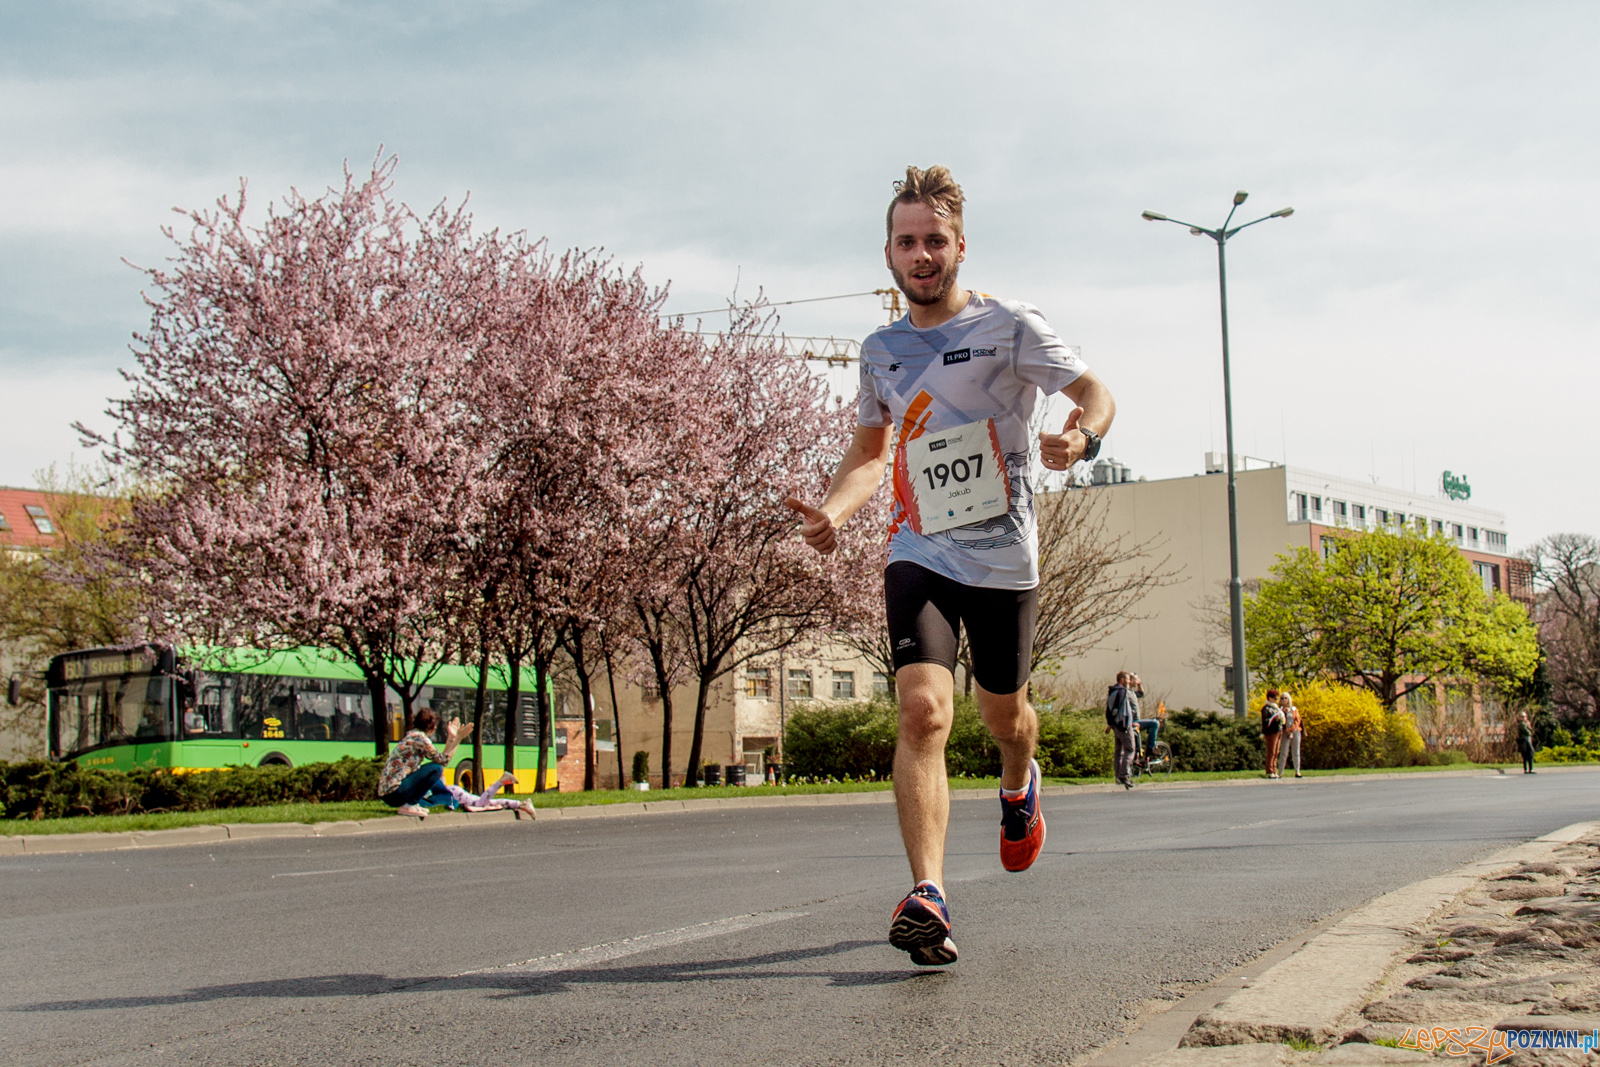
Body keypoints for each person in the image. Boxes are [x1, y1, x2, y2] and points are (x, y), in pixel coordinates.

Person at [784, 165, 1116, 967]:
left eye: (935, 240)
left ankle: (1017, 781)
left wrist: (1082, 438)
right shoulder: (881, 350)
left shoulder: (1011, 326)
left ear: (959, 246)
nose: (921, 254)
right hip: (919, 549)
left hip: (1004, 558)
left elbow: (1096, 390)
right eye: (907, 242)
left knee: (1006, 717)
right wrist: (834, 511)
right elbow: (870, 454)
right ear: (889, 255)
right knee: (925, 712)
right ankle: (928, 892)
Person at [377, 707, 473, 817]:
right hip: (395, 793)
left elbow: (441, 759)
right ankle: (409, 805)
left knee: (435, 767)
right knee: (436, 769)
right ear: (433, 728)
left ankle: (412, 804)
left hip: (388, 793)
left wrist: (451, 738)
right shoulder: (421, 739)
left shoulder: (411, 735)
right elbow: (443, 761)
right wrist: (458, 739)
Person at [1106, 672, 1139, 787]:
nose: (1130, 682)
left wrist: (1111, 723)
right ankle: (1123, 776)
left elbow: (1109, 710)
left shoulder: (1112, 691)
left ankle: (1118, 777)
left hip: (1116, 725)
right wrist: (1129, 722)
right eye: (1128, 680)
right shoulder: (1123, 692)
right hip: (1124, 725)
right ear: (1122, 680)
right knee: (1130, 749)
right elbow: (1129, 707)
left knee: (1119, 752)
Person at [1277, 693, 1303, 778]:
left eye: (1285, 698)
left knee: (1296, 752)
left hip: (1295, 732)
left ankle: (1297, 771)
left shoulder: (1293, 709)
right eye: (1282, 698)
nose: (1284, 700)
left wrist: (1292, 728)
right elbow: (1279, 721)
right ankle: (1280, 772)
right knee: (1284, 752)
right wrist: (1286, 729)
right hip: (1285, 733)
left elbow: (1298, 719)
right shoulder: (1279, 710)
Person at [1260, 689, 1285, 779]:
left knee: (1276, 752)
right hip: (1271, 732)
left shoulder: (1275, 708)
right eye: (1274, 698)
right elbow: (1265, 722)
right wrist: (1275, 719)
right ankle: (1270, 771)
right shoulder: (1266, 708)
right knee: (1271, 751)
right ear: (1269, 698)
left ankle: (1274, 770)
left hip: (1278, 730)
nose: (1276, 700)